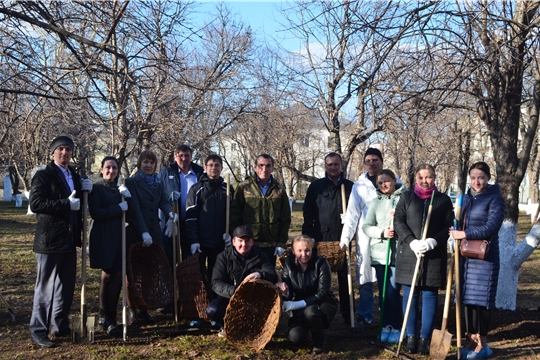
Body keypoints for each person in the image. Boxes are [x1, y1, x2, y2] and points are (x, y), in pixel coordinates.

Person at [29, 136, 93, 348]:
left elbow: (80, 203)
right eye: (61, 149)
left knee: (65, 287)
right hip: (49, 240)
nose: (64, 153)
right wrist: (65, 204)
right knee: (45, 287)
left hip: (69, 240)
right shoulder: (44, 176)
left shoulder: (74, 175)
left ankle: (59, 324)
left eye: (68, 150)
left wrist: (87, 190)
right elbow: (36, 202)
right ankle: (39, 329)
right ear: (53, 152)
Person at [393, 164, 454, 355]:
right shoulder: (406, 197)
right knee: (410, 296)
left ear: (434, 178)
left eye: (428, 177)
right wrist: (411, 242)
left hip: (433, 255)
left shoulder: (443, 200)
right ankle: (411, 337)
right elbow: (398, 221)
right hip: (410, 253)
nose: (425, 181)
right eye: (421, 178)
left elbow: (448, 225)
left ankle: (425, 338)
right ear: (415, 179)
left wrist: (434, 241)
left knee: (429, 295)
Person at [450, 162, 504, 359]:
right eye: (473, 177)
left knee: (481, 301)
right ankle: (470, 340)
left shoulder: (495, 198)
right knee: (467, 301)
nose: (476, 181)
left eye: (480, 177)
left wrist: (464, 233)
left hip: (484, 259)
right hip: (465, 258)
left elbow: (491, 227)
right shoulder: (465, 198)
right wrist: (453, 231)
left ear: (488, 177)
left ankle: (483, 344)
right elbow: (456, 221)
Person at [339, 147, 389, 330]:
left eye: (375, 160)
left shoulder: (393, 181)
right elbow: (352, 215)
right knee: (365, 277)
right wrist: (345, 238)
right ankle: (365, 315)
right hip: (366, 238)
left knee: (387, 278)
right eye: (368, 160)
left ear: (381, 161)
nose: (371, 163)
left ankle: (388, 315)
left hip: (387, 237)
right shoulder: (359, 187)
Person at [125, 150, 177, 324]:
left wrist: (170, 213)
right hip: (137, 232)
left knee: (149, 272)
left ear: (155, 165)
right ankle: (132, 309)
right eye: (145, 162)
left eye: (151, 163)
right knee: (133, 273)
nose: (148, 165)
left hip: (154, 232)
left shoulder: (158, 182)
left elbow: (163, 201)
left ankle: (144, 309)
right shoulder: (132, 182)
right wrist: (143, 231)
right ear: (140, 164)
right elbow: (135, 209)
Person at [302, 152, 353, 324]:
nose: (333, 167)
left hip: (342, 238)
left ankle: (348, 315)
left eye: (336, 164)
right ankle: (319, 314)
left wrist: (350, 222)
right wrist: (308, 237)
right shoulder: (316, 187)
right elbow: (308, 214)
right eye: (330, 164)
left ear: (341, 166)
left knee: (345, 279)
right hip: (320, 238)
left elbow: (357, 213)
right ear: (325, 166)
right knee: (319, 278)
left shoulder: (349, 187)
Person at [185, 154, 233, 327]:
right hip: (200, 242)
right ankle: (197, 313)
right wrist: (193, 240)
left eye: (217, 165)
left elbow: (232, 216)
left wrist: (230, 234)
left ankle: (215, 314)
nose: (214, 168)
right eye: (211, 165)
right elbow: (190, 218)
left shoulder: (227, 190)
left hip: (220, 244)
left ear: (221, 168)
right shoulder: (196, 189)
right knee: (197, 278)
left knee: (217, 278)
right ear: (205, 167)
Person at [88, 156, 132, 337]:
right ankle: (104, 315)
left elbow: (127, 214)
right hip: (103, 236)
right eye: (108, 168)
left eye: (114, 168)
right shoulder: (97, 188)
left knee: (118, 276)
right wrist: (119, 207)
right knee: (107, 274)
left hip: (119, 237)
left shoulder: (119, 189)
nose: (111, 171)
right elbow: (96, 213)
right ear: (101, 169)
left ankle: (111, 316)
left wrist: (128, 201)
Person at [206, 225, 278, 335]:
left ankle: (251, 327)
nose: (244, 245)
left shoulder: (260, 255)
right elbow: (216, 283)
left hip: (253, 301)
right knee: (212, 310)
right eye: (240, 241)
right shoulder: (223, 257)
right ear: (233, 242)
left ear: (252, 242)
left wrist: (260, 274)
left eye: (247, 241)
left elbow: (273, 275)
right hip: (229, 298)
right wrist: (236, 292)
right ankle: (228, 326)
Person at [361, 169, 405, 343]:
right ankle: (386, 325)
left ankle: (396, 325)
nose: (383, 185)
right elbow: (366, 226)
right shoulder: (375, 202)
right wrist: (381, 232)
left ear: (394, 180)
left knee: (393, 291)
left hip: (397, 252)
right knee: (384, 292)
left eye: (387, 181)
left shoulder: (404, 198)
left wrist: (398, 230)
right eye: (380, 183)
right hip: (380, 253)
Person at [277, 235, 338, 355]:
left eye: (307, 250)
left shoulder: (321, 263)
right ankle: (307, 329)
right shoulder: (288, 265)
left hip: (322, 302)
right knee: (296, 337)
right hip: (300, 304)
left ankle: (319, 341)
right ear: (293, 251)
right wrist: (285, 292)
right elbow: (288, 296)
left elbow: (323, 293)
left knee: (310, 313)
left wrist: (297, 304)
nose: (304, 254)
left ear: (312, 250)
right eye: (300, 251)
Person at [230, 154, 291, 267]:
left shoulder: (279, 191)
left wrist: (281, 243)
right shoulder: (244, 188)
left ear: (272, 168)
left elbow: (285, 219)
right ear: (255, 167)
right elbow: (234, 216)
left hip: (270, 246)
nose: (264, 169)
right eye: (261, 165)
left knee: (267, 279)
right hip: (247, 244)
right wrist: (236, 239)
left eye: (268, 166)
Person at [159, 144, 204, 263]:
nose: (184, 159)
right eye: (181, 156)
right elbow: (158, 196)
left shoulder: (199, 173)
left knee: (189, 260)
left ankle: (186, 281)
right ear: (175, 156)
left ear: (191, 156)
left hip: (191, 224)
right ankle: (171, 281)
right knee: (169, 258)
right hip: (171, 222)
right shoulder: (165, 174)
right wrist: (169, 200)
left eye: (187, 156)